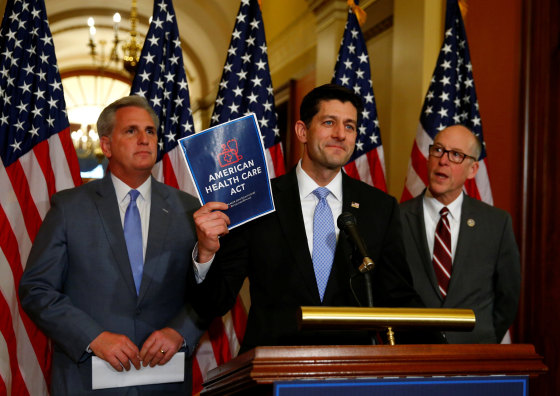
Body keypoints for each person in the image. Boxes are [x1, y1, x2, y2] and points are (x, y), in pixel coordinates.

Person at [192, 84, 437, 352]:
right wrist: (205, 252)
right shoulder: (260, 200)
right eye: (329, 122)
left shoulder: (379, 208)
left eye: (350, 126)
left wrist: (444, 354)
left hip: (352, 369)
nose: (340, 134)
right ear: (302, 131)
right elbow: (215, 302)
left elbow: (397, 297)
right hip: (272, 368)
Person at [19, 96, 205, 394]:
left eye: (150, 131)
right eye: (131, 131)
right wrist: (93, 337)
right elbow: (37, 289)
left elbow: (208, 288)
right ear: (106, 146)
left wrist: (181, 331)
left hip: (163, 382)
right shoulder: (69, 208)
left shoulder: (188, 209)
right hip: (86, 381)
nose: (144, 139)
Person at [400, 124, 521, 343]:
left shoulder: (496, 223)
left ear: (473, 169)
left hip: (474, 354)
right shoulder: (397, 218)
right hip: (413, 351)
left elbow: (508, 297)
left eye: (455, 154)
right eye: (438, 150)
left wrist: (484, 337)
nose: (443, 160)